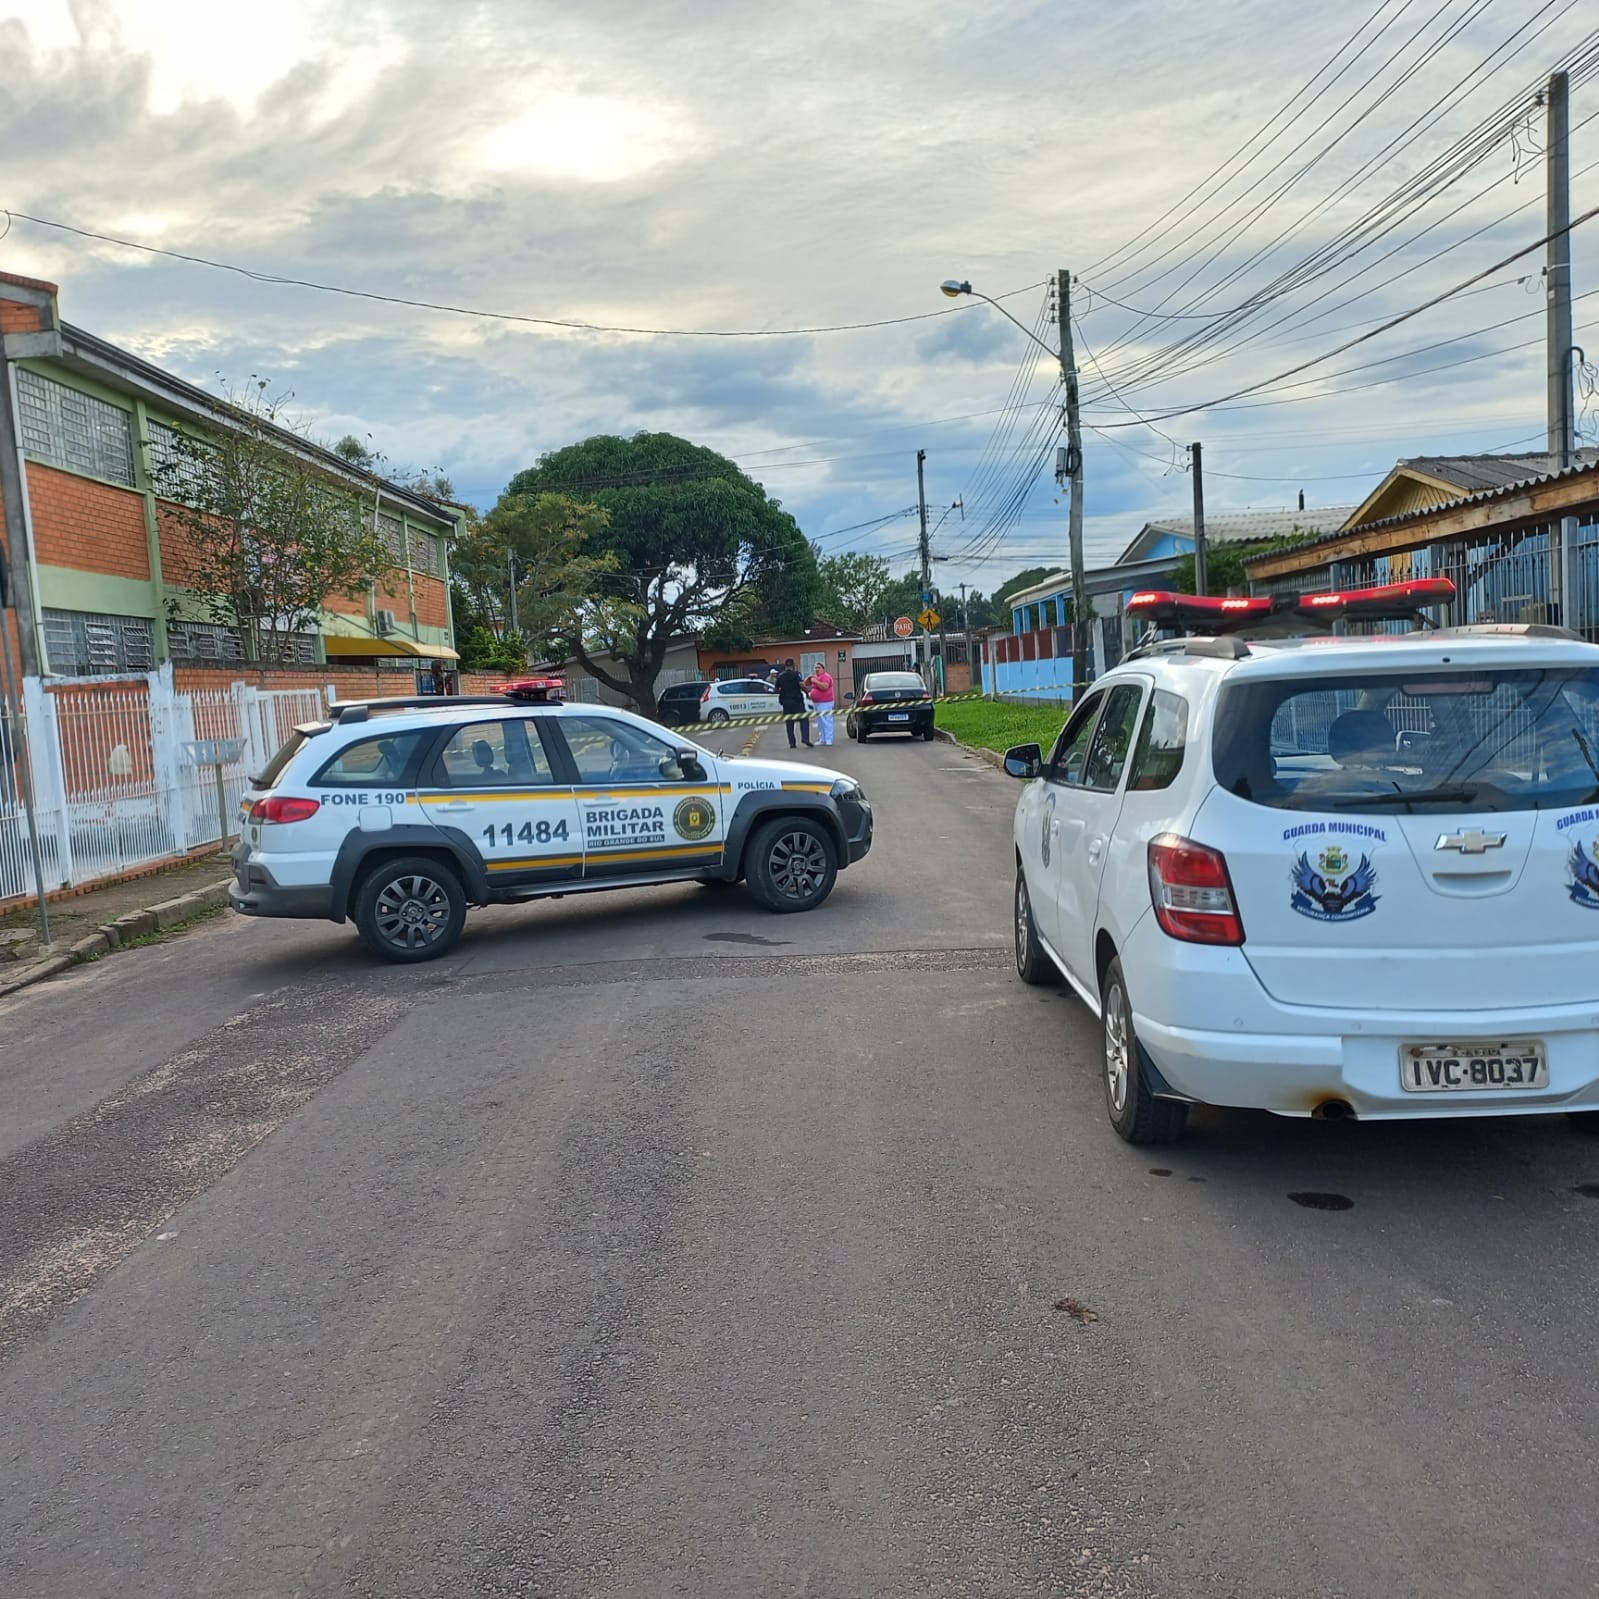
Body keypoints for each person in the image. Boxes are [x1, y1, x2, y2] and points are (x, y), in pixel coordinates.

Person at [774, 657, 811, 749]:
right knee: (804, 719)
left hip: (786, 702)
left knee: (789, 723)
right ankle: (805, 738)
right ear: (793, 666)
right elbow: (802, 685)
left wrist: (783, 693)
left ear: (785, 666)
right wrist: (807, 693)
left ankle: (792, 743)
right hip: (797, 701)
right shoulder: (796, 675)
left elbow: (776, 688)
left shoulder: (780, 676)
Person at [805, 662, 836, 746]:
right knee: (819, 721)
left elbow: (825, 687)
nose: (817, 669)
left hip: (826, 702)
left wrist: (815, 681)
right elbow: (806, 684)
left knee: (826, 720)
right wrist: (809, 678)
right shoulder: (815, 677)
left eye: (819, 668)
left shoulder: (826, 677)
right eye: (815, 668)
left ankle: (829, 739)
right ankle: (822, 739)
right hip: (817, 703)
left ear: (823, 669)